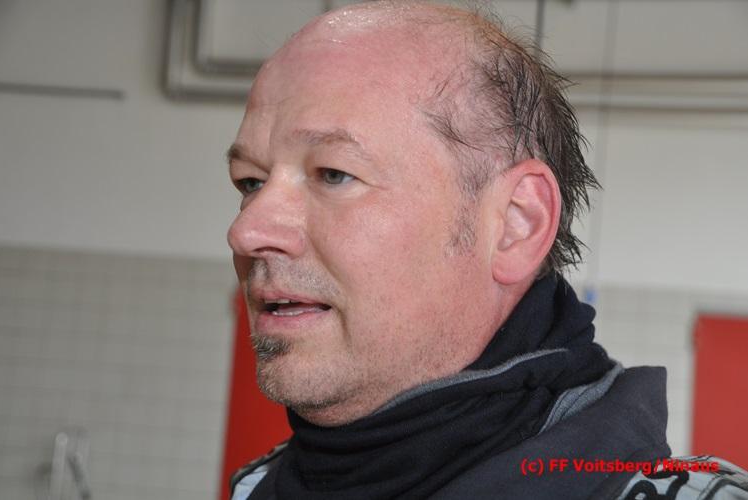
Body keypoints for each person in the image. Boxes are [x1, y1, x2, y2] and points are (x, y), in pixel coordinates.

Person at [225, 1, 748, 498]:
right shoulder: (254, 487)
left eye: (334, 174)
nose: (247, 231)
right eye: (250, 181)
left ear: (516, 224)